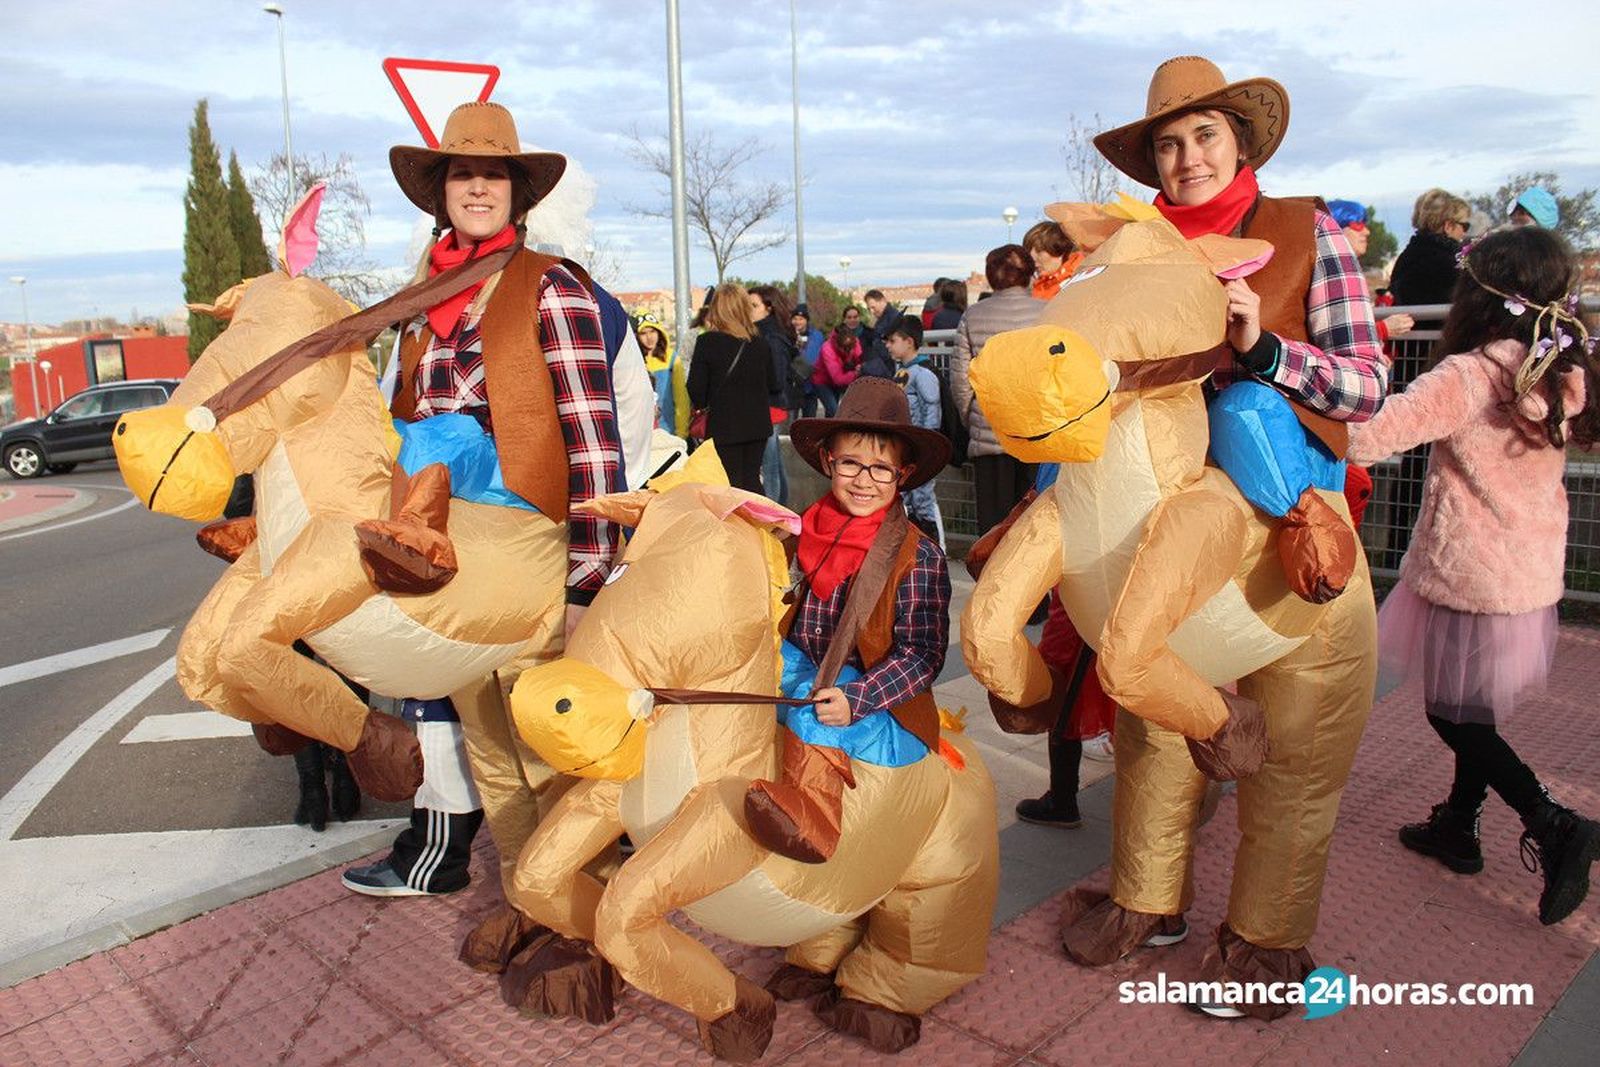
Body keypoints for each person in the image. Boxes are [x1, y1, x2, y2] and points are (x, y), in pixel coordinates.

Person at [1082, 54, 1385, 1012]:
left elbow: (1367, 383)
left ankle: (1263, 945)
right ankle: (1147, 899)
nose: (1186, 158)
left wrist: (1267, 352)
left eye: (1203, 135)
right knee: (1154, 726)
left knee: (1294, 749)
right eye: (1167, 143)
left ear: (1240, 140)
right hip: (1166, 529)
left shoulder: (1309, 233)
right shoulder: (1133, 252)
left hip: (1297, 533)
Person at [345, 100, 623, 900]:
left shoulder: (553, 288)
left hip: (529, 548)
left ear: (517, 192)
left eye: (492, 174)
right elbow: (399, 422)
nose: (477, 188)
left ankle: (590, 910)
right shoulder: (420, 304)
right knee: (491, 751)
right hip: (452, 561)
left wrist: (587, 579)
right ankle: (538, 906)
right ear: (441, 191)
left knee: (543, 742)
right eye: (462, 173)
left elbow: (593, 440)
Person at [1348, 226, 1599, 926]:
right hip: (1526, 570)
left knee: (1450, 711)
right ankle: (1459, 822)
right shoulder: (1560, 371)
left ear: (1477, 294)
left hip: (1470, 569)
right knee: (1477, 704)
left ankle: (1552, 821)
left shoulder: (1472, 373)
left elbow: (1371, 435)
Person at [743, 377, 953, 863]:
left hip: (876, 702)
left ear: (904, 474)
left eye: (881, 469)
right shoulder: (798, 531)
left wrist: (857, 699)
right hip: (806, 670)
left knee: (812, 717)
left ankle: (810, 825)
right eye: (851, 464)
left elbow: (922, 656)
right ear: (827, 462)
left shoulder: (919, 556)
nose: (863, 481)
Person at [951, 244, 1044, 535]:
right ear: (1029, 273)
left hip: (990, 431)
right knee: (1035, 528)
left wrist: (974, 418)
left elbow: (960, 381)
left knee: (993, 533)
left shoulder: (973, 316)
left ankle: (991, 579)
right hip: (1041, 433)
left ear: (991, 277)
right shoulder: (1051, 311)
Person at [687, 283, 777, 493]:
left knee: (729, 486)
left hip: (724, 426)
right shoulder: (760, 343)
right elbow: (774, 383)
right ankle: (759, 525)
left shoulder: (707, 342)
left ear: (717, 308)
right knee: (752, 481)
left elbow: (696, 389)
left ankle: (734, 527)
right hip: (757, 425)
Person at [886, 317, 944, 546]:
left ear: (909, 342)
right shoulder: (904, 372)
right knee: (910, 501)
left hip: (921, 450)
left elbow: (932, 413)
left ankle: (936, 551)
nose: (889, 345)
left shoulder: (924, 374)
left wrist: (927, 449)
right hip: (907, 450)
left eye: (893, 340)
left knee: (924, 502)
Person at [750, 284, 798, 505]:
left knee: (769, 466)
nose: (749, 310)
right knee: (775, 462)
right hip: (772, 405)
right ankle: (782, 508)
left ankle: (773, 516)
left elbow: (776, 378)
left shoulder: (770, 337)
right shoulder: (770, 333)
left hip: (769, 405)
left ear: (768, 308)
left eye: (754, 305)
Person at [1389, 188, 1471, 306]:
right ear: (1448, 226)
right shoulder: (1454, 264)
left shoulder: (1405, 259)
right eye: (1465, 226)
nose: (1464, 233)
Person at [638, 311, 689, 436]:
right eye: (643, 333)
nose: (649, 337)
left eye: (652, 331)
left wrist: (682, 433)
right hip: (641, 433)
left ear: (659, 332)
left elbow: (681, 397)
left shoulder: (671, 357)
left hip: (669, 430)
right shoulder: (633, 360)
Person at [812, 319, 864, 416]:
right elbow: (838, 379)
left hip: (839, 381)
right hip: (823, 382)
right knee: (834, 411)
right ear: (837, 344)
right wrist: (856, 373)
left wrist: (861, 366)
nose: (849, 351)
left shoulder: (854, 341)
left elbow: (860, 358)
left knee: (831, 413)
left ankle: (830, 429)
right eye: (845, 348)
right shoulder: (827, 349)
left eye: (851, 347)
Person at [1023, 220, 1083, 300]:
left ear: (1060, 249)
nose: (1033, 260)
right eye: (1028, 254)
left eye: (1039, 252)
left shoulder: (1080, 279)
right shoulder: (1040, 285)